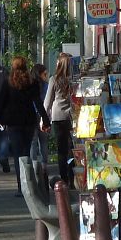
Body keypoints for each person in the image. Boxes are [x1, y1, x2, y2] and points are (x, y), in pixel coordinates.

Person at [0, 56, 50, 196]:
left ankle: (21, 186)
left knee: (17, 154)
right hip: (28, 121)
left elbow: (1, 102)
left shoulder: (8, 82)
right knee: (26, 152)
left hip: (13, 122)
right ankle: (29, 184)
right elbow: (38, 102)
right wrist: (45, 119)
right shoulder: (31, 82)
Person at [44, 53, 76, 186]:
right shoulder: (74, 79)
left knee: (61, 150)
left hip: (58, 117)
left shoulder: (54, 79)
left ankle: (64, 179)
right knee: (72, 148)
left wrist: (44, 119)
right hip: (73, 117)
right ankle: (73, 175)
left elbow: (47, 101)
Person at [31, 63, 50, 165]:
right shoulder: (46, 86)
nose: (46, 76)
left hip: (33, 114)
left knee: (33, 142)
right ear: (40, 74)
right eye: (45, 74)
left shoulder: (31, 86)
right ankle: (44, 165)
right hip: (44, 115)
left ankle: (33, 166)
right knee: (43, 141)